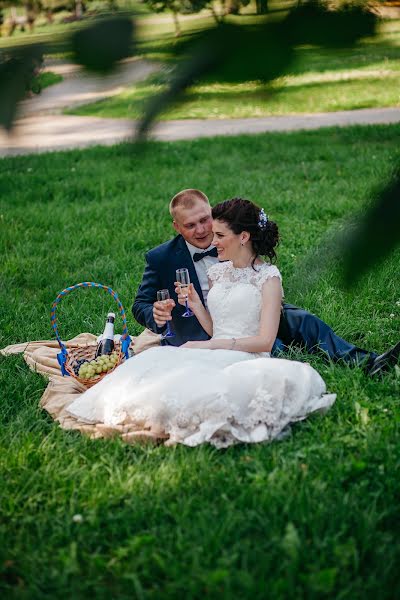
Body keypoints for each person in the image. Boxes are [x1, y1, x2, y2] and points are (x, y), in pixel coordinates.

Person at [67, 198, 336, 447]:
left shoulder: (269, 278)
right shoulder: (219, 272)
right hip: (215, 349)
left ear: (243, 237)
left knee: (200, 390)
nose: (212, 240)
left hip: (248, 356)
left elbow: (265, 340)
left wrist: (209, 346)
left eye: (219, 235)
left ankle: (158, 431)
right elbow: (215, 328)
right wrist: (195, 304)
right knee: (155, 372)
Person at [133, 189, 399, 377]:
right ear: (177, 227)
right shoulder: (160, 258)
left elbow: (257, 276)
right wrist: (157, 315)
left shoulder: (229, 237)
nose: (202, 231)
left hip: (248, 305)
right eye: (191, 225)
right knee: (275, 349)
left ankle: (368, 361)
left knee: (302, 320)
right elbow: (141, 305)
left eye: (205, 220)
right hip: (201, 328)